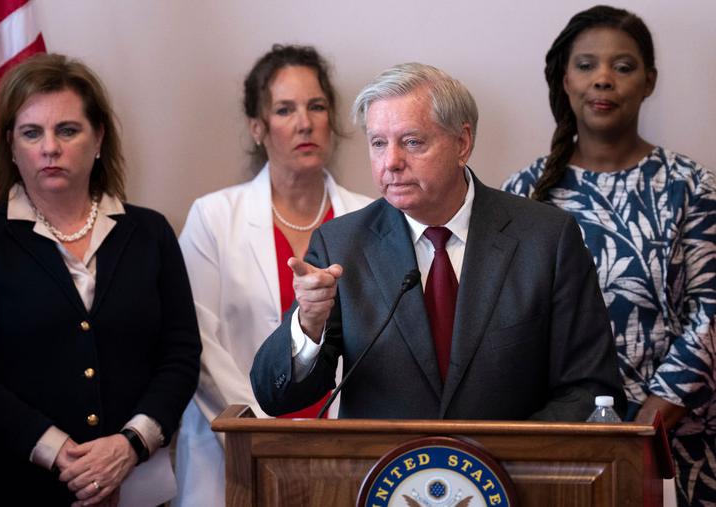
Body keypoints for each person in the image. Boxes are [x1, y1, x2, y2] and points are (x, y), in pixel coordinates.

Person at [250, 62, 625, 424]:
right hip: (384, 481)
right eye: (378, 143)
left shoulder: (546, 240)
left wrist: (504, 460)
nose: (391, 162)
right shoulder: (342, 245)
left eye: (412, 142)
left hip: (508, 483)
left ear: (462, 143)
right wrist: (308, 324)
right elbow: (275, 397)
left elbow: (589, 390)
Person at [0, 53, 201, 506]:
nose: (50, 147)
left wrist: (130, 444)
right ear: (11, 146)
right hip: (10, 487)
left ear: (99, 137)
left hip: (137, 486)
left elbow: (181, 355)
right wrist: (59, 452)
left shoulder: (149, 232)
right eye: (32, 133)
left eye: (67, 130)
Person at [502, 5, 716, 505]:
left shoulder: (691, 186)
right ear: (563, 80)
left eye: (622, 67)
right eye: (585, 65)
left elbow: (711, 313)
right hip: (557, 445)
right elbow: (506, 325)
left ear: (649, 82)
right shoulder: (523, 195)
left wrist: (647, 425)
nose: (603, 80)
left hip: (676, 443)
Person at [173, 44, 372, 506]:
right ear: (257, 127)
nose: (304, 122)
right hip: (235, 449)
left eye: (316, 106)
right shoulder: (214, 216)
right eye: (285, 109)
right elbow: (197, 341)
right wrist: (264, 431)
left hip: (345, 453)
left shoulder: (369, 218)